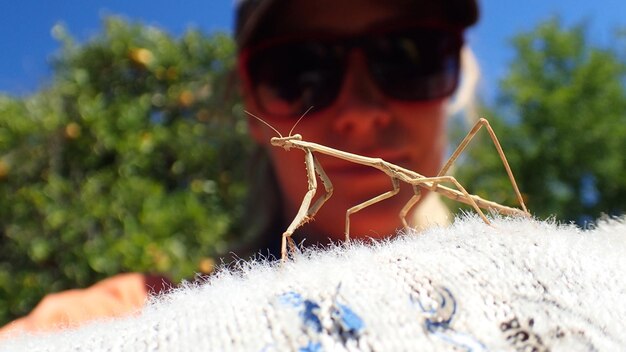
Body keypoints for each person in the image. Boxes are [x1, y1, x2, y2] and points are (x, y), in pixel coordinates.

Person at [0, 0, 479, 337]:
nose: (358, 112)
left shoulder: (525, 279)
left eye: (410, 54)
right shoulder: (140, 314)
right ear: (252, 101)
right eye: (299, 72)